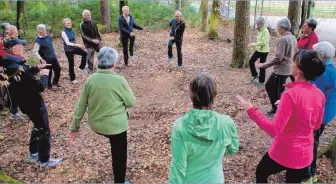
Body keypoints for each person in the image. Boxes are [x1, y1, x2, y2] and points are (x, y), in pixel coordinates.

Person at [237, 49, 326, 183]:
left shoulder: (290, 94)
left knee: (261, 172)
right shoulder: (319, 94)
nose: (292, 63)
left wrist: (252, 111)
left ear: (299, 71)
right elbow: (316, 125)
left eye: (294, 62)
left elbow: (274, 130)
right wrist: (290, 108)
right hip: (305, 154)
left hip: (285, 151)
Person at [68, 47, 135, 183]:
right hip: (116, 127)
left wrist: (75, 126)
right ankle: (119, 181)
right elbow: (131, 102)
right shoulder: (119, 80)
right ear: (114, 63)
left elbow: (81, 105)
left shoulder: (90, 80)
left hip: (96, 125)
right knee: (119, 153)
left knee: (114, 139)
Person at [1, 37, 62, 168]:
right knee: (44, 129)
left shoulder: (6, 64)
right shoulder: (16, 67)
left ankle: (33, 153)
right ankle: (45, 160)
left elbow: (23, 72)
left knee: (37, 126)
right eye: (21, 46)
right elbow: (40, 86)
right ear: (15, 49)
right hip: (34, 103)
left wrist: (36, 68)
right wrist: (45, 74)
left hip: (24, 103)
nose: (23, 48)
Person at [169, 72, 239, 183]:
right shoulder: (226, 123)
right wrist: (214, 148)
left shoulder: (179, 126)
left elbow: (178, 168)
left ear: (191, 95)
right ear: (213, 95)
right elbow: (233, 148)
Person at [302, 41, 336, 183]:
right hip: (326, 114)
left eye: (315, 53)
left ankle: (308, 175)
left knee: (310, 143)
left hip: (319, 116)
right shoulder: (331, 69)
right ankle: (311, 173)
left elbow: (313, 95)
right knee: (313, 142)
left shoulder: (322, 72)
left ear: (321, 55)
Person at [257, 18, 297, 115]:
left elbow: (278, 58)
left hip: (281, 70)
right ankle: (278, 109)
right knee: (278, 89)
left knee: (273, 88)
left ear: (283, 28)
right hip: (288, 68)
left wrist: (264, 65)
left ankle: (279, 110)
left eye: (278, 28)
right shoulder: (293, 38)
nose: (277, 30)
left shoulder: (283, 39)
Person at [33, 24, 61, 90]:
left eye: (45, 29)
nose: (45, 30)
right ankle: (49, 86)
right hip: (45, 59)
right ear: (40, 31)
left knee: (58, 69)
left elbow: (51, 46)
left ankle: (55, 82)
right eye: (44, 29)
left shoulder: (48, 37)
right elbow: (35, 51)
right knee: (48, 72)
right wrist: (41, 59)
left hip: (53, 56)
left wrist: (55, 53)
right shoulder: (37, 41)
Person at [62, 18, 87, 84]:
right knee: (71, 63)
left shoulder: (72, 30)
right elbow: (67, 43)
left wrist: (75, 50)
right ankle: (72, 78)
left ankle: (81, 67)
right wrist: (77, 45)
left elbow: (73, 39)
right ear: (64, 24)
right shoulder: (63, 32)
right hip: (68, 49)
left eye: (70, 23)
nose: (69, 24)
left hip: (74, 47)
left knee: (84, 53)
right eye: (67, 23)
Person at [248, 17, 270, 86]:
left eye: (258, 24)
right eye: (257, 23)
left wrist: (253, 44)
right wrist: (256, 45)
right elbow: (259, 41)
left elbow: (264, 42)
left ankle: (262, 81)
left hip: (264, 51)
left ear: (261, 23)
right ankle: (255, 75)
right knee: (251, 61)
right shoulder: (260, 30)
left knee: (262, 65)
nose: (257, 25)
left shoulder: (265, 31)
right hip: (259, 50)